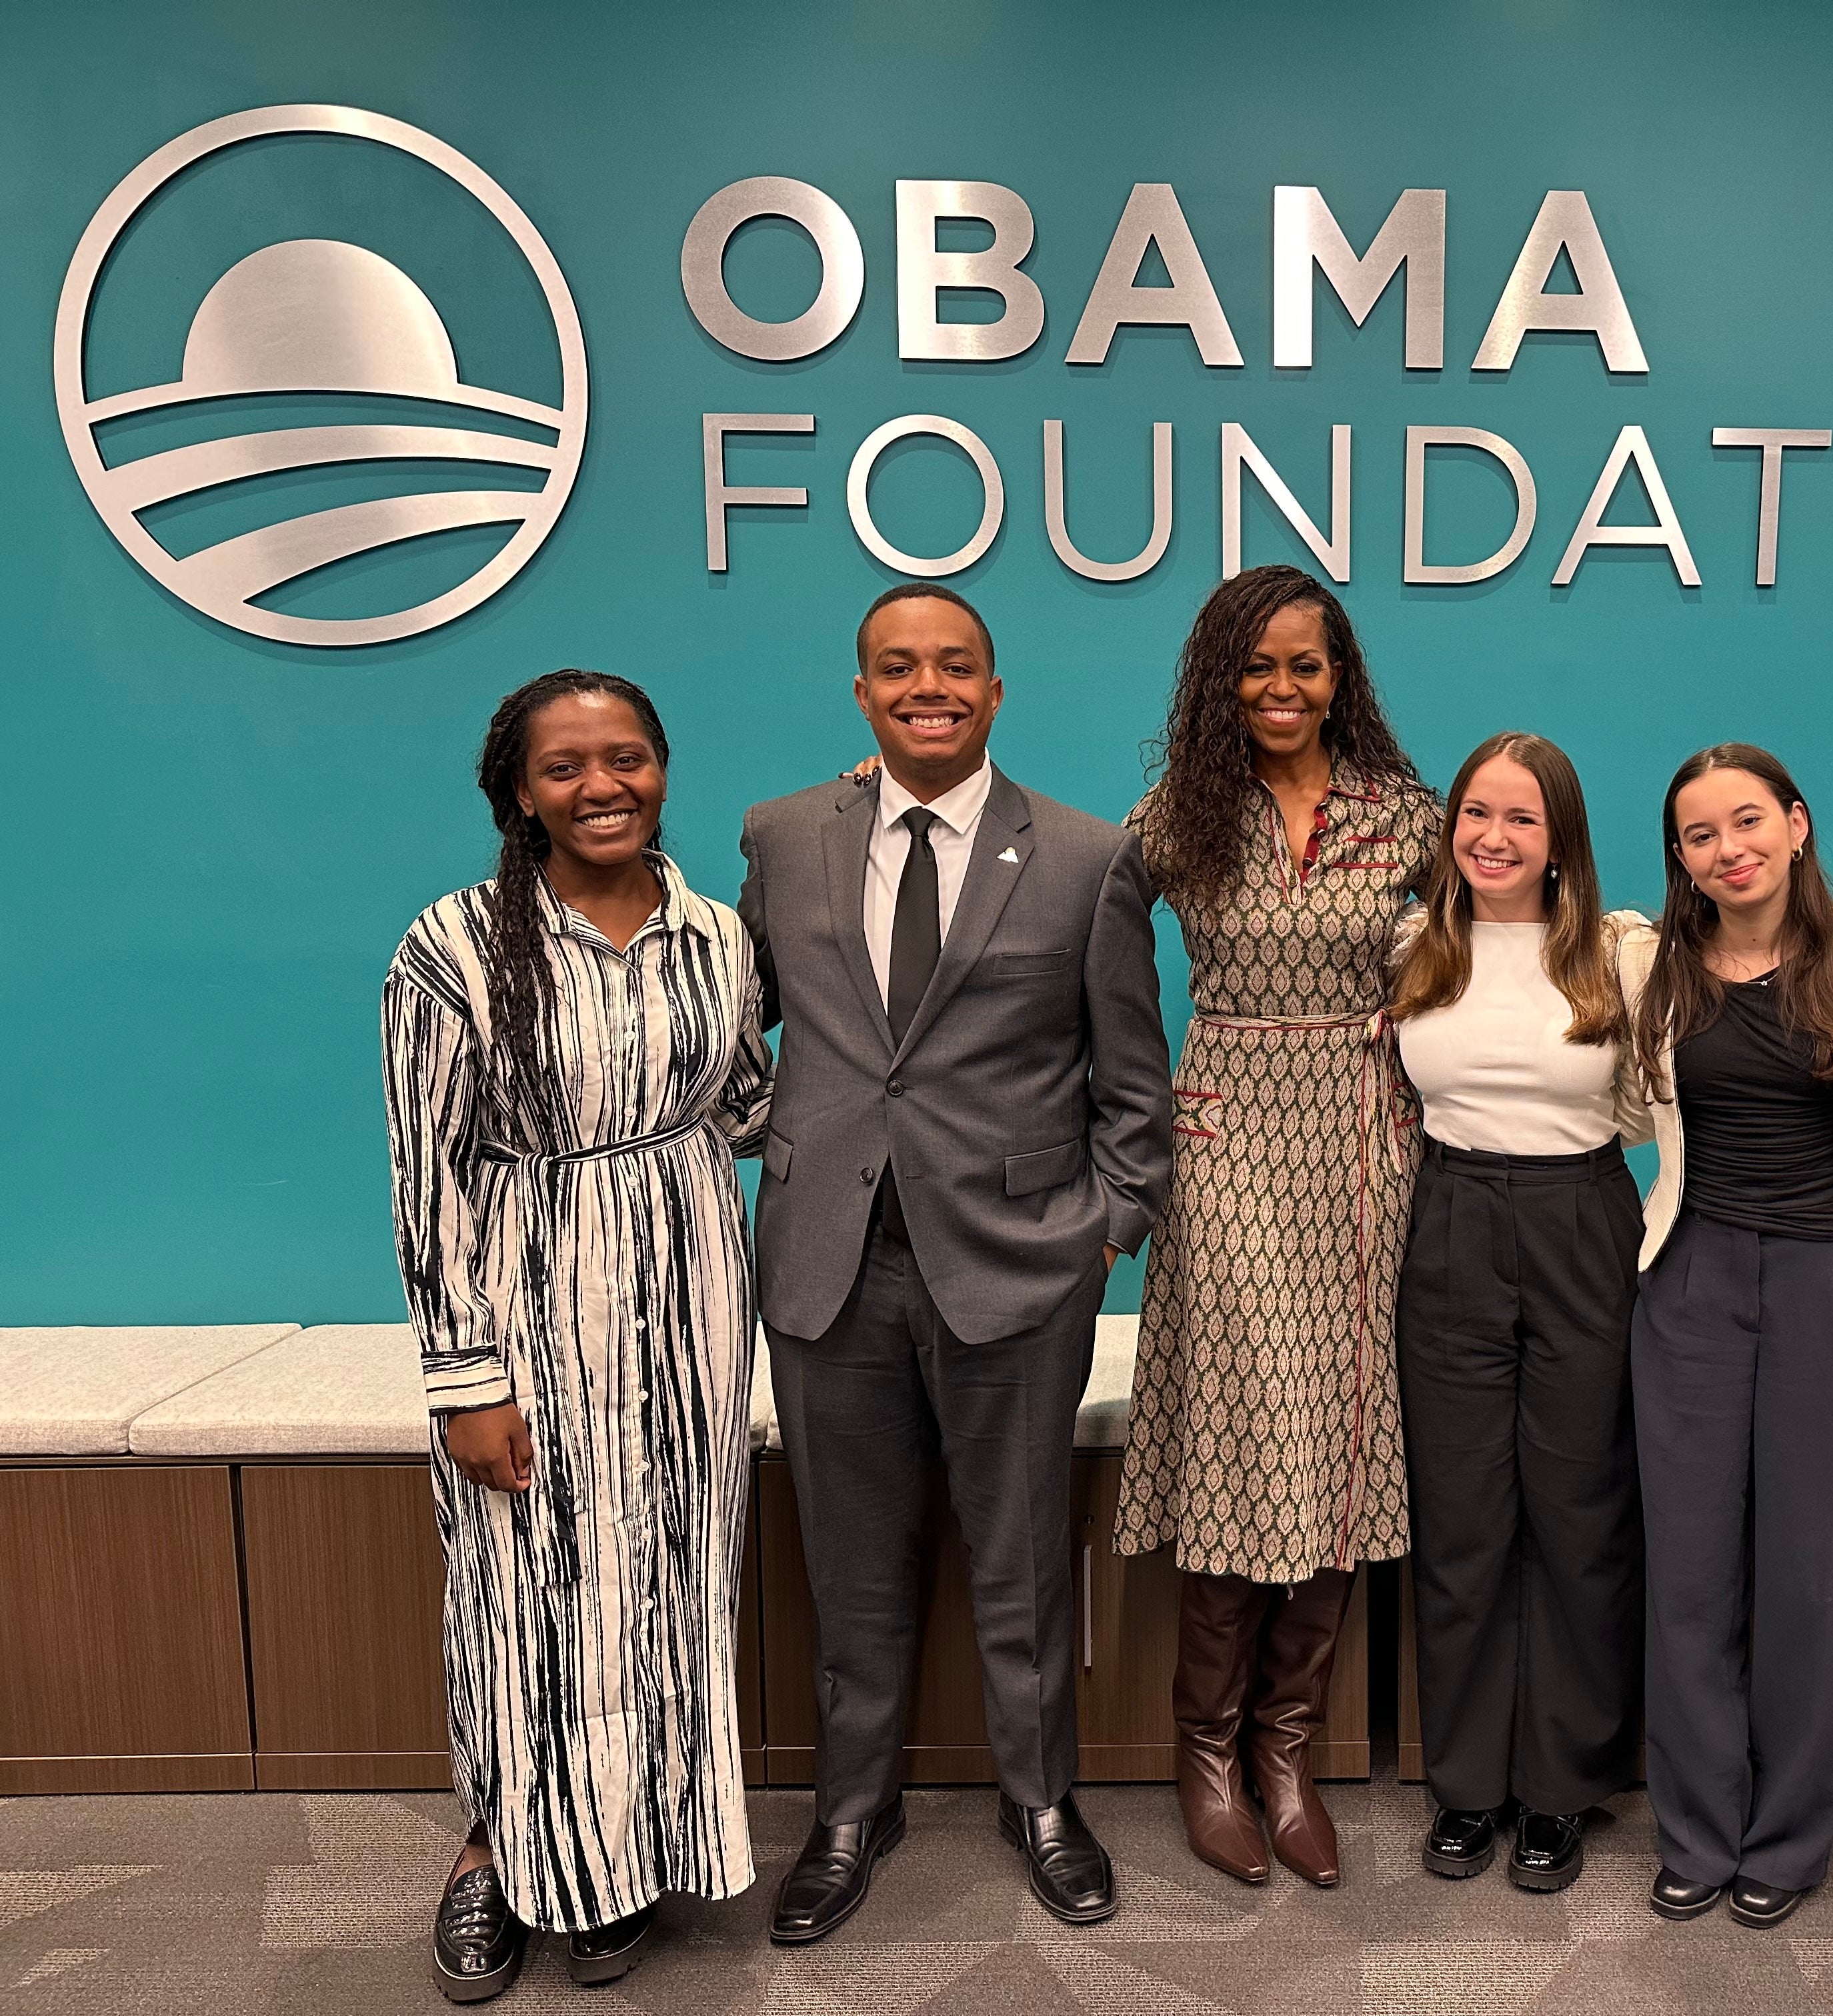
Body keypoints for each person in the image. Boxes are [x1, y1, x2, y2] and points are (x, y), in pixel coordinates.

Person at [743, 583, 1172, 1938]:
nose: (927, 686)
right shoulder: (780, 836)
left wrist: (1104, 1232)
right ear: (861, 692)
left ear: (996, 691)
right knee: (850, 1558)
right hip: (829, 1266)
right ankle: (850, 1812)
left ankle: (1042, 1800)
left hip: (1017, 1268)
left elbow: (1134, 1087)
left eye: (956, 667)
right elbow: (739, 1023)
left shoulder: (1090, 857)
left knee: (1022, 1557)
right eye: (896, 668)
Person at [385, 672, 772, 2003]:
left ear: (664, 767)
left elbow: (748, 1104)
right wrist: (466, 1379)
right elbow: (425, 1177)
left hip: (694, 1308)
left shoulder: (720, 936)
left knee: (667, 1584)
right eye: (566, 767)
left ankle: (621, 1858)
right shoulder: (453, 944)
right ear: (518, 791)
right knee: (522, 1596)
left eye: (627, 758)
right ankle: (496, 1855)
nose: (602, 786)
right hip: (530, 1312)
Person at [1112, 564, 1441, 1888]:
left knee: (1350, 1440)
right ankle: (1208, 1756)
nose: (1283, 688)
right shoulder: (1178, 818)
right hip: (1228, 1140)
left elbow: (1486, 952)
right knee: (1247, 1445)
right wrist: (1141, 1097)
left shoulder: (1410, 818)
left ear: (1341, 676)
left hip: (1370, 1142)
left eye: (1306, 665)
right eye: (1256, 667)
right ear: (1219, 683)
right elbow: (1075, 960)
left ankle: (1288, 1753)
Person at [1618, 744, 1833, 1930]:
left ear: (1796, 825)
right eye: (1699, 835)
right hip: (1689, 1278)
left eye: (1748, 822)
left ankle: (1790, 1840)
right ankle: (1695, 1831)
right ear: (1680, 858)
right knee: (1689, 1575)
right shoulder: (1651, 962)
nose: (1726, 849)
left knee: (1816, 1577)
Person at [1388, 732, 1649, 1895]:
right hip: (1446, 1222)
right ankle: (1469, 1789)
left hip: (1583, 1221)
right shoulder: (1410, 945)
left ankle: (1561, 1787)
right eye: (1477, 813)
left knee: (1577, 1514)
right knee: (1464, 1519)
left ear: (1561, 842)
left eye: (1523, 819)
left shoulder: (1617, 953)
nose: (1494, 837)